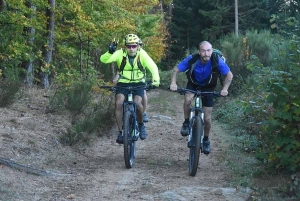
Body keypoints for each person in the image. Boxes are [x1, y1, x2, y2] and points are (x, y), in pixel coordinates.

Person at [169, 41, 233, 154]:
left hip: (209, 87)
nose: (206, 53)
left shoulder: (216, 60)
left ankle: (206, 139)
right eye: (203, 51)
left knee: (207, 118)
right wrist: (173, 83)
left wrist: (225, 89)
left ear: (211, 51)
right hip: (193, 84)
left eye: (208, 50)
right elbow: (176, 70)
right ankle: (186, 122)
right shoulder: (192, 59)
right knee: (188, 99)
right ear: (199, 52)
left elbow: (229, 74)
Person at [100, 34, 160, 144]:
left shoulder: (142, 54)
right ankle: (121, 132)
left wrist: (156, 80)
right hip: (123, 82)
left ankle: (141, 125)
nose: (131, 49)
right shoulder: (120, 53)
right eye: (129, 46)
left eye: (134, 46)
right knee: (118, 103)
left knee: (137, 104)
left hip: (138, 82)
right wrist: (110, 52)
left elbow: (153, 67)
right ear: (125, 46)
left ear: (138, 46)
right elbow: (104, 60)